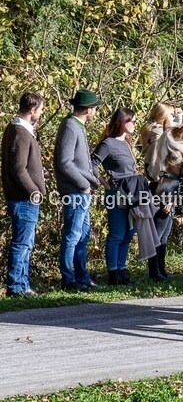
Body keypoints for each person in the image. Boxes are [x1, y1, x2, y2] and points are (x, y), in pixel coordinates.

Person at [54, 89, 104, 291]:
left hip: (82, 190)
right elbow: (65, 162)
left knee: (83, 234)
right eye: (95, 108)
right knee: (72, 235)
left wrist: (93, 180)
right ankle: (68, 279)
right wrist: (83, 184)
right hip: (75, 191)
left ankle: (82, 276)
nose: (96, 112)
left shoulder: (78, 126)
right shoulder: (69, 126)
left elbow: (82, 162)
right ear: (87, 109)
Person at [92, 108, 149, 286]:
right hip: (116, 193)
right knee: (116, 234)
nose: (135, 124)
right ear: (122, 122)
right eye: (131, 121)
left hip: (132, 192)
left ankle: (122, 268)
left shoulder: (127, 143)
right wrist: (105, 183)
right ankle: (113, 273)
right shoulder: (108, 144)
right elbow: (92, 164)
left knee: (129, 232)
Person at [2, 92, 45, 297]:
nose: (41, 113)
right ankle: (17, 286)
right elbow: (19, 169)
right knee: (22, 244)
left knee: (26, 243)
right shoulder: (20, 132)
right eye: (41, 109)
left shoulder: (19, 129)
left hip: (23, 197)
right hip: (23, 198)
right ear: (32, 110)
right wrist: (34, 191)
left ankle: (23, 283)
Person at [140, 103, 179, 281]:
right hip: (161, 187)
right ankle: (155, 271)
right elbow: (158, 167)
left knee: (162, 233)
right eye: (171, 114)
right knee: (159, 233)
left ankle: (160, 270)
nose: (174, 116)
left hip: (158, 186)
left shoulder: (155, 132)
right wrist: (167, 198)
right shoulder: (158, 136)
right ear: (163, 116)